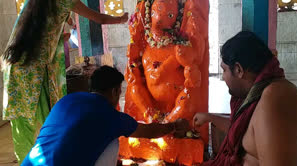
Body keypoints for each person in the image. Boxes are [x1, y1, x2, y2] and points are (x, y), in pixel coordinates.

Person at [1, 0, 128, 163]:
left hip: (17, 66)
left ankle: (31, 159)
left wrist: (61, 36)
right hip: (32, 70)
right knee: (42, 122)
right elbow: (99, 18)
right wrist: (121, 19)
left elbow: (34, 31)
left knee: (27, 122)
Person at [193, 31, 297, 166]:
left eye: (224, 70)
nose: (223, 77)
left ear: (238, 70)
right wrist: (210, 117)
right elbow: (245, 132)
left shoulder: (275, 99)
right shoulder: (260, 93)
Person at [21, 65, 190, 166]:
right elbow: (149, 131)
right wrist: (174, 126)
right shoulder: (111, 116)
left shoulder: (66, 100)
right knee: (113, 142)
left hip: (30, 162)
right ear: (115, 91)